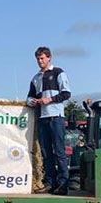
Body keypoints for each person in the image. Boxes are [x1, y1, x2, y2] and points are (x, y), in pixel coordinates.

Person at [26, 46, 71, 195]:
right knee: (46, 153)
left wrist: (50, 99)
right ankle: (50, 182)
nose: (40, 61)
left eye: (42, 58)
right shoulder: (36, 78)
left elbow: (66, 93)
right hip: (42, 118)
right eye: (38, 59)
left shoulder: (58, 72)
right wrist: (31, 101)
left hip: (55, 117)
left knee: (59, 151)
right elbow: (30, 96)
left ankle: (63, 183)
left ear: (49, 58)